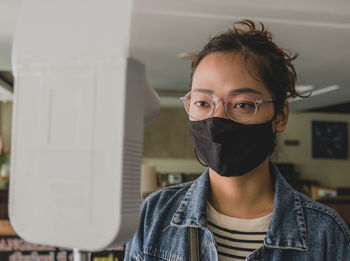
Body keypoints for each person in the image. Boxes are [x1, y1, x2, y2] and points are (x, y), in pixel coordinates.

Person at [125, 20, 350, 260]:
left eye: (242, 104)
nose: (217, 120)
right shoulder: (154, 215)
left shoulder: (326, 233)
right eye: (202, 103)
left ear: (281, 116)